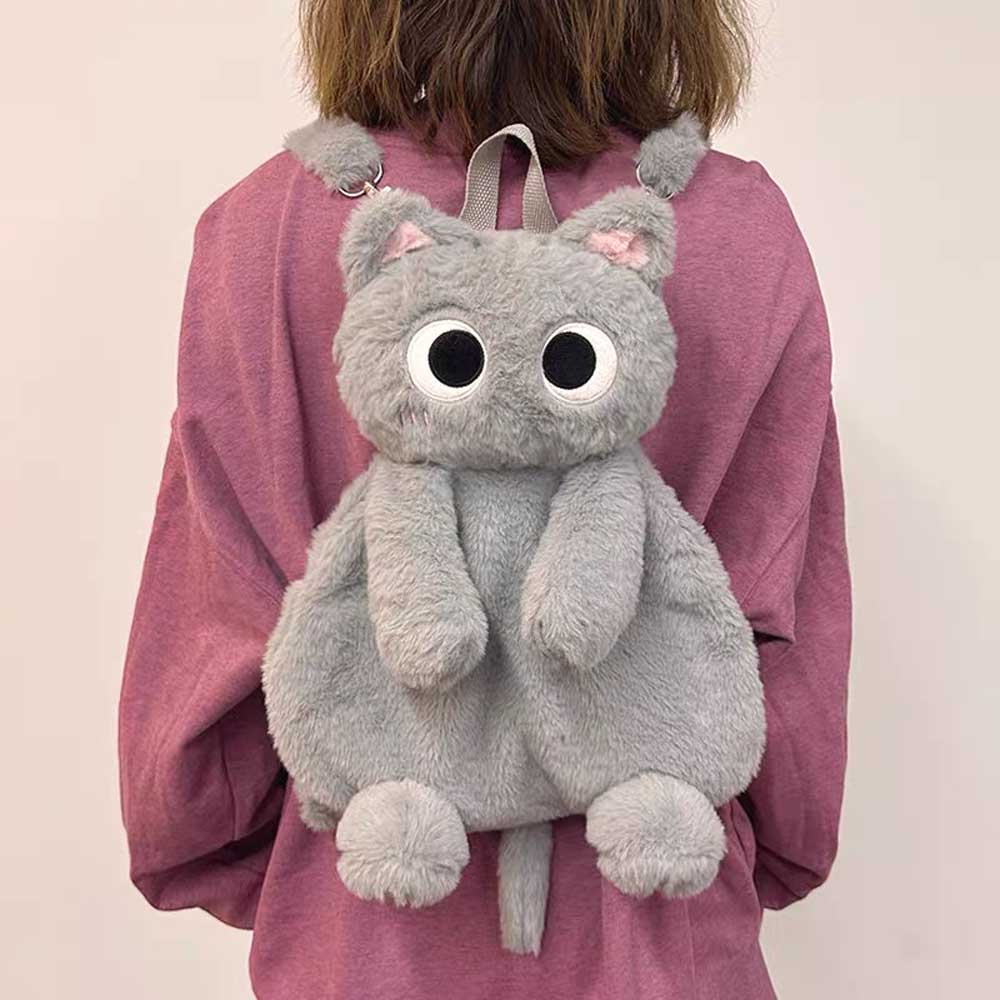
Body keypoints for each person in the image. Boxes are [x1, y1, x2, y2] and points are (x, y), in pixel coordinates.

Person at [118, 2, 851, 997]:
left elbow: (210, 627)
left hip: (366, 918)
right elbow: (782, 628)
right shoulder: (738, 230)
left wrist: (256, 838)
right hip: (654, 924)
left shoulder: (261, 229)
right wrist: (750, 831)